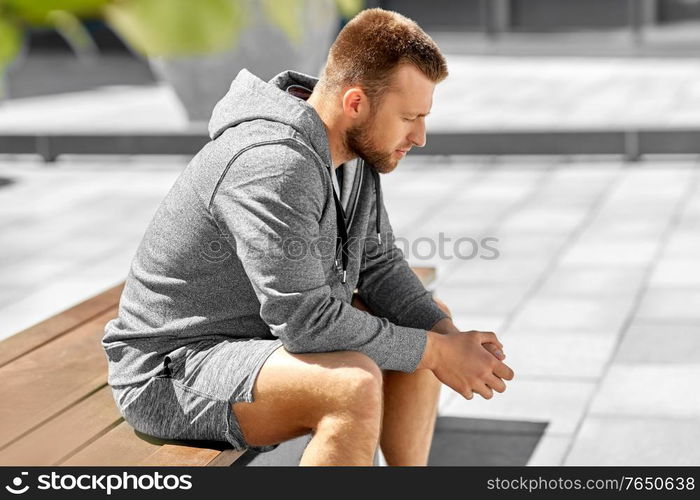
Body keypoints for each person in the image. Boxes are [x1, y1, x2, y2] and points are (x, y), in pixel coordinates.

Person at [102, 7, 514, 466]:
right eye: (409, 117)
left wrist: (448, 339)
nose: (420, 137)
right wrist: (438, 352)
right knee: (351, 384)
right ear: (356, 103)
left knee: (428, 322)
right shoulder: (272, 162)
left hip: (257, 341)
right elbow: (304, 320)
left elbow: (377, 263)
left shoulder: (356, 151)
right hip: (176, 368)